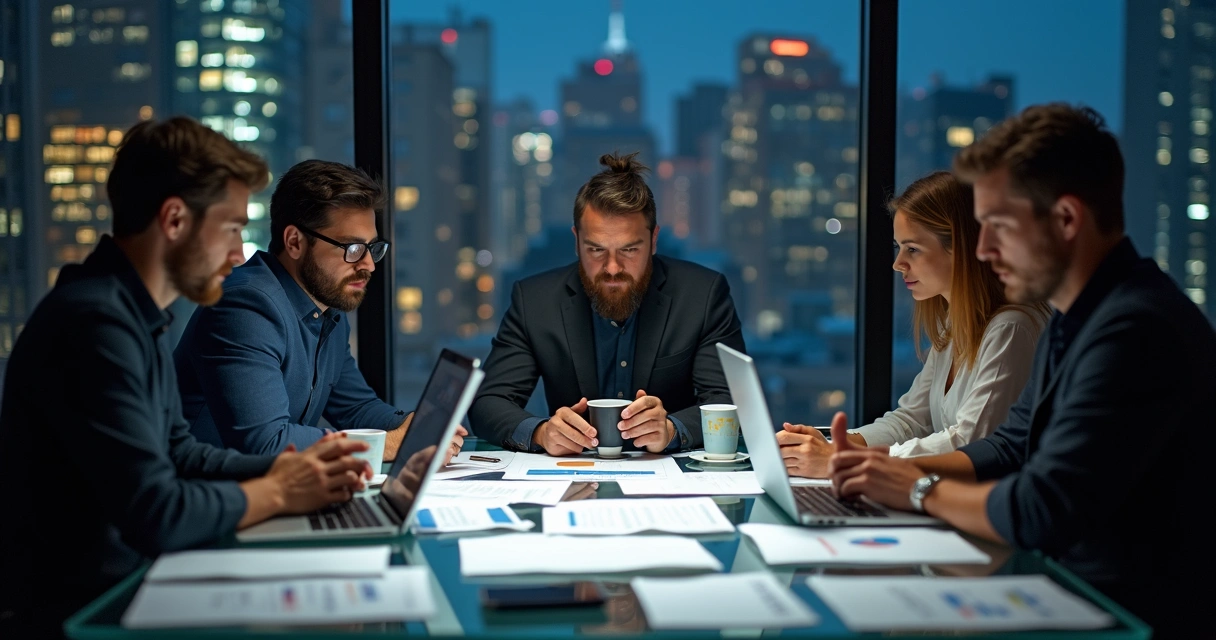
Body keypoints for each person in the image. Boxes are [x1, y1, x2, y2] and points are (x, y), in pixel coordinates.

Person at [824, 104, 1214, 639]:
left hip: (1129, 613)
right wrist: (885, 468)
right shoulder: (1076, 317)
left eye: (998, 228)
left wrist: (914, 488)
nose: (983, 251)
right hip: (1073, 591)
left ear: (1067, 220)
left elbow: (1042, 505)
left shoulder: (1136, 330)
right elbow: (1008, 445)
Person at [0, 118, 370, 637]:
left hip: (131, 583)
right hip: (84, 612)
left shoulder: (131, 314)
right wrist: (280, 492)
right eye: (231, 229)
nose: (240, 255)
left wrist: (297, 472)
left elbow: (183, 453)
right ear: (175, 220)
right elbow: (158, 510)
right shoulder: (95, 324)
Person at [174, 160, 464, 463]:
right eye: (352, 249)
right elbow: (266, 442)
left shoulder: (326, 310)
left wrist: (416, 427)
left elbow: (357, 409)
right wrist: (393, 445)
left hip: (266, 492)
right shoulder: (245, 307)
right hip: (203, 497)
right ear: (295, 242)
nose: (368, 264)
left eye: (372, 248)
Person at [469, 152, 746, 455]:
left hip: (674, 476)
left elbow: (729, 399)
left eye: (629, 249)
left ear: (653, 240)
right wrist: (541, 432)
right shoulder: (534, 300)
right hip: (571, 478)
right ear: (576, 242)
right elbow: (487, 403)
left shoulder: (703, 295)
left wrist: (672, 429)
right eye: (596, 250)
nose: (613, 267)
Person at [778, 172, 1046, 477]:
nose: (897, 263)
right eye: (898, 247)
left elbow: (972, 445)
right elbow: (911, 421)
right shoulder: (955, 326)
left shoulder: (1011, 329)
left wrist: (848, 460)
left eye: (913, 249)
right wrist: (842, 444)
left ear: (961, 248)